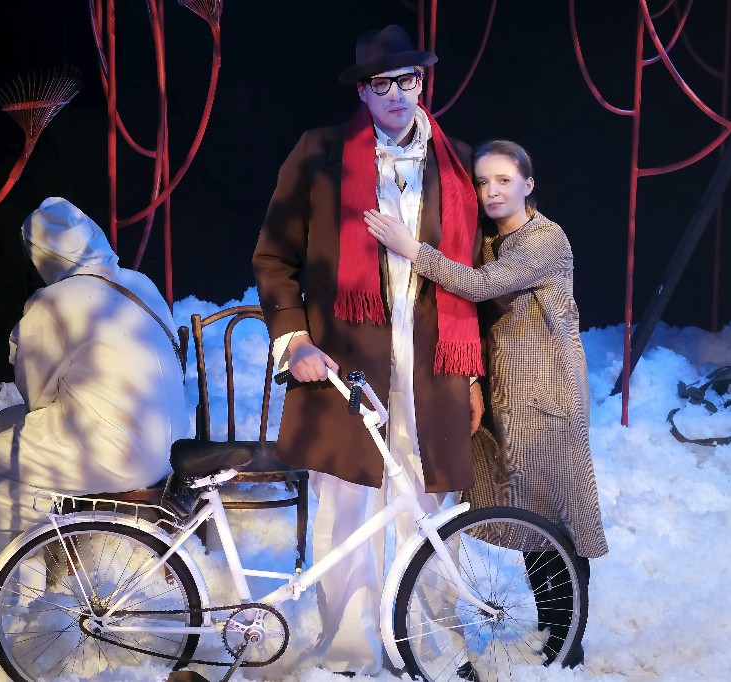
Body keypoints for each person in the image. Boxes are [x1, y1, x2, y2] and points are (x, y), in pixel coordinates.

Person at [252, 25, 484, 676]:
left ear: (422, 82)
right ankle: (350, 651)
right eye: (381, 84)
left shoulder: (456, 160)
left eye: (407, 80)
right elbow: (273, 257)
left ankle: (429, 644)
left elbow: (470, 274)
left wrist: (473, 377)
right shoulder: (319, 153)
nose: (396, 95)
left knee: (428, 508)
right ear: (362, 90)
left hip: (434, 364)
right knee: (346, 506)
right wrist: (295, 338)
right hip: (345, 363)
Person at [364, 139, 609, 669]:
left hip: (548, 395)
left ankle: (567, 643)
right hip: (509, 393)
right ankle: (554, 634)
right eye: (482, 182)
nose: (492, 191)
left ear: (528, 184)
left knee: (557, 517)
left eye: (504, 180)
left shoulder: (544, 239)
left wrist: (412, 248)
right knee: (531, 517)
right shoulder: (492, 239)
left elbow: (480, 286)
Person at [0, 196, 189, 610]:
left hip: (114, 451)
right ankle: (44, 543)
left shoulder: (53, 301)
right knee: (3, 427)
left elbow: (38, 396)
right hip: (172, 445)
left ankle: (7, 601)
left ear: (41, 254)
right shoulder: (140, 284)